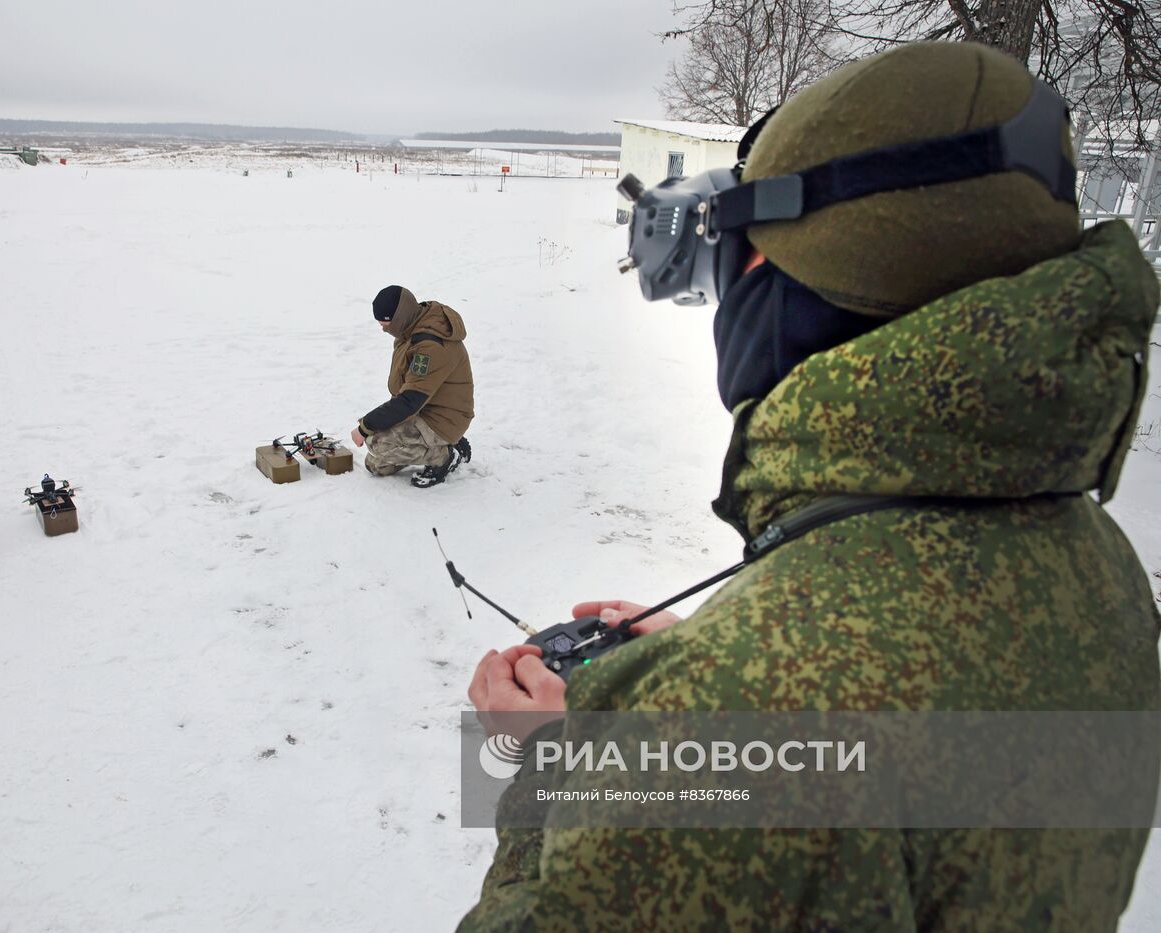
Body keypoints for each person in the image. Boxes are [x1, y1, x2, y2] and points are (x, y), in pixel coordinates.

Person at [460, 43, 1161, 929]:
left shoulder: (746, 714)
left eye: (736, 263)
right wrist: (756, 650)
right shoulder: (1100, 567)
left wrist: (567, 767)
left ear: (794, 276)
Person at [351, 285, 474, 488]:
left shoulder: (429, 347)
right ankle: (438, 444)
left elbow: (410, 401)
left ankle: (443, 455)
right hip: (424, 407)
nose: (383, 329)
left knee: (377, 443)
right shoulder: (413, 324)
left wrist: (365, 427)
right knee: (375, 466)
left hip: (443, 418)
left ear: (398, 317)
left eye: (385, 323)